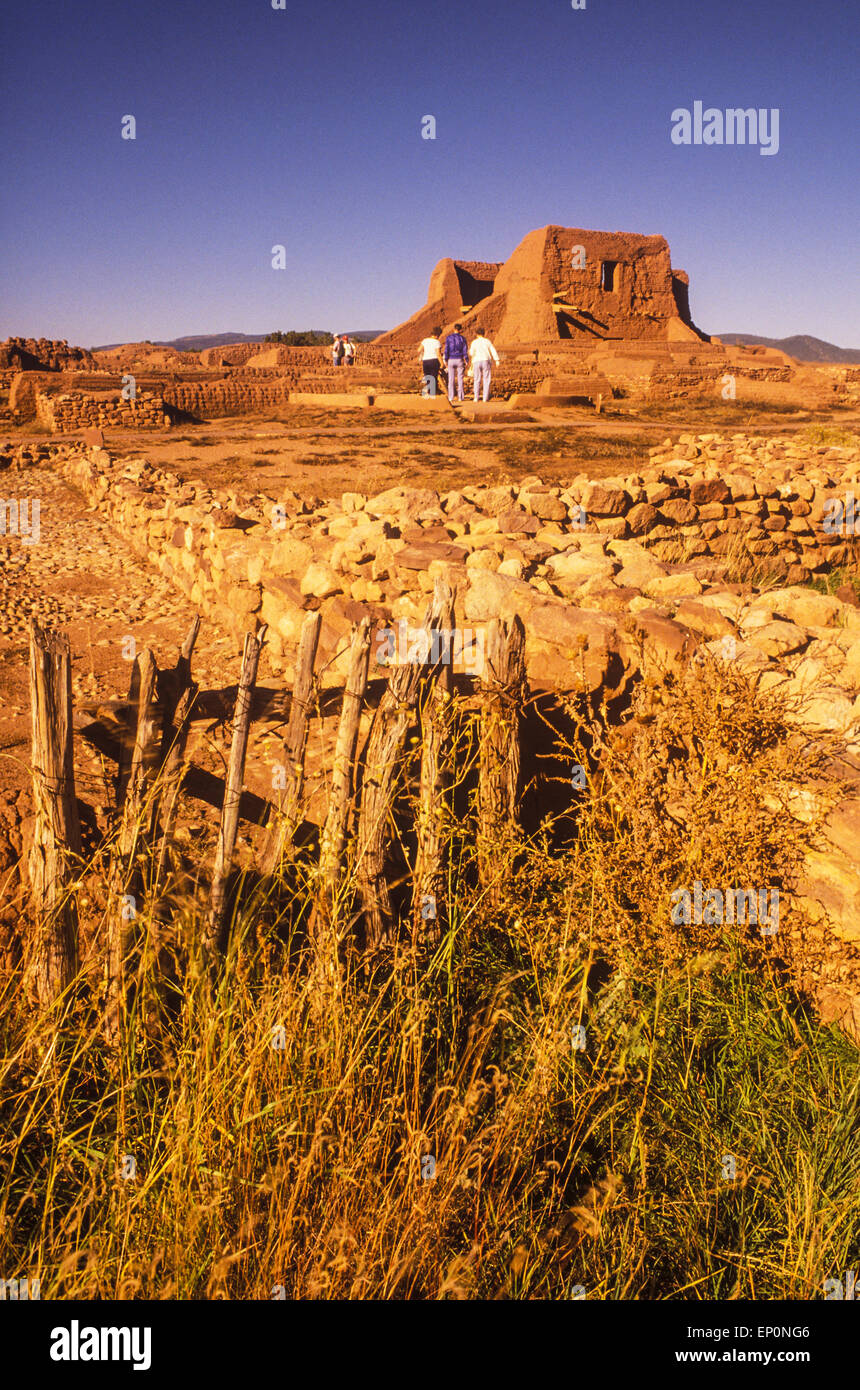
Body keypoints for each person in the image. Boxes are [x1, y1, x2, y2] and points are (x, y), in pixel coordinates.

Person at [469, 327, 500, 402]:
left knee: (476, 379)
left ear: (476, 334)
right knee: (486, 379)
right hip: (485, 360)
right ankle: (485, 398)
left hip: (476, 361)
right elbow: (493, 350)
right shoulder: (487, 341)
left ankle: (476, 397)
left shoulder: (474, 342)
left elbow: (471, 353)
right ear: (484, 333)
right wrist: (497, 360)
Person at [443, 322, 469, 403]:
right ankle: (460, 397)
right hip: (459, 359)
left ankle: (451, 397)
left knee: (451, 379)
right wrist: (467, 360)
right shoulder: (463, 339)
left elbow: (446, 349)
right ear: (460, 330)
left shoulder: (448, 338)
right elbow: (465, 350)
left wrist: (445, 360)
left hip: (451, 359)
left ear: (454, 329)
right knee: (460, 379)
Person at [418, 326, 443, 396]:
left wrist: (425, 351)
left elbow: (419, 350)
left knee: (428, 377)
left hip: (425, 360)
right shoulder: (437, 342)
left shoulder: (425, 340)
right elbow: (438, 354)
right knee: (433, 377)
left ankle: (429, 392)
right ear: (437, 335)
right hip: (434, 360)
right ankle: (432, 393)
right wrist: (442, 363)